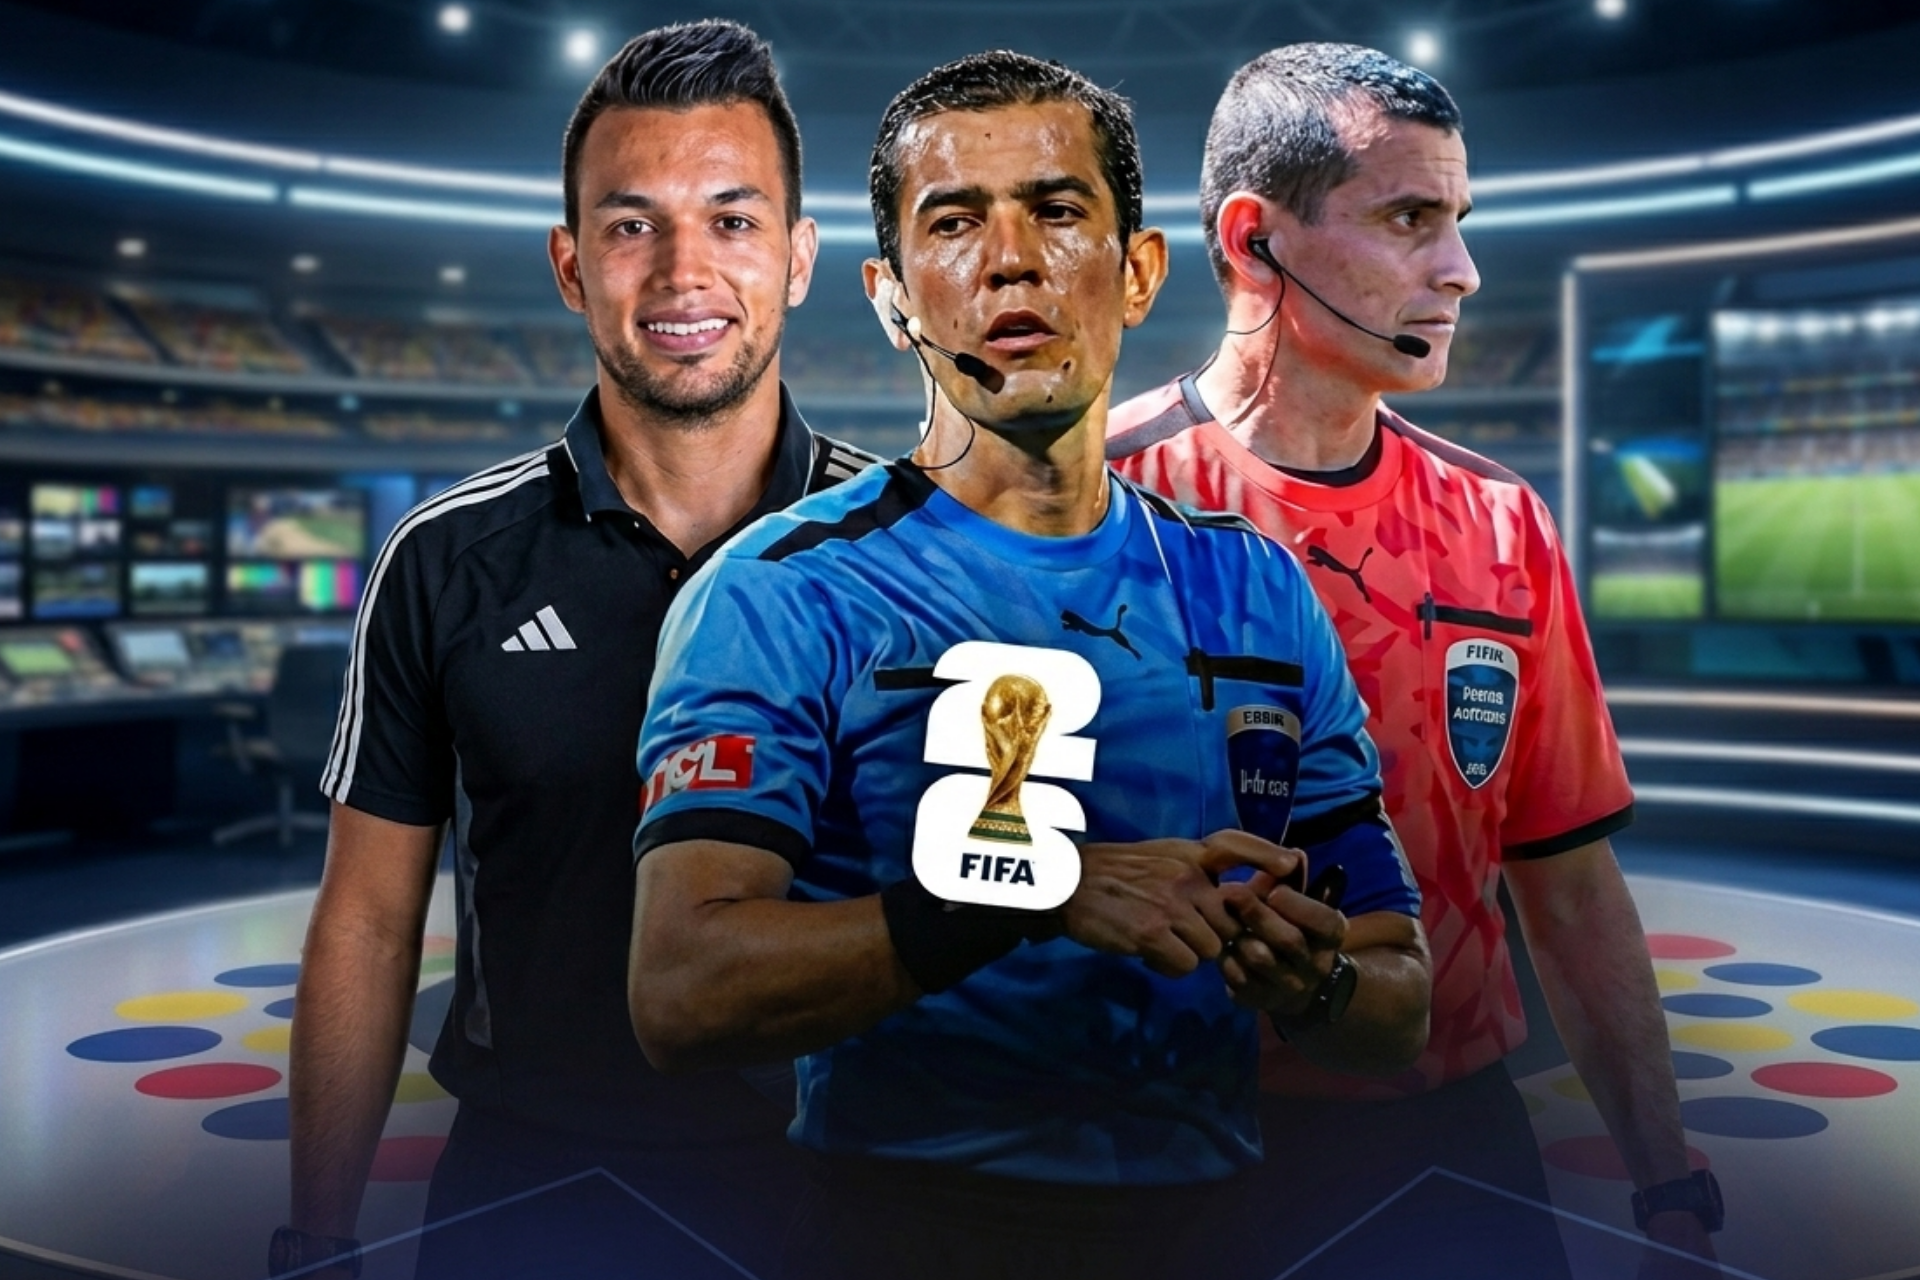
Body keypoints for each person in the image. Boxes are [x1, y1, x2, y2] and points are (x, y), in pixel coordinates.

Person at [628, 50, 1431, 1280]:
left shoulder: (1259, 588)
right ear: (892, 297)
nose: (1011, 260)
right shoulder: (779, 593)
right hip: (899, 1227)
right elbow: (681, 991)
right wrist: (1027, 889)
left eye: (1057, 210)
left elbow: (1398, 993)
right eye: (954, 223)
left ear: (1140, 270)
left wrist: (1310, 978)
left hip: (1218, 1225)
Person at [1107, 42, 1721, 1279]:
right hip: (1156, 1149)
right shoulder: (1090, 502)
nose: (1461, 269)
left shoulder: (1502, 522)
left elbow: (1569, 884)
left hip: (1454, 1136)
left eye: (1459, 220)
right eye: (1408, 219)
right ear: (1254, 240)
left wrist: (1670, 1183)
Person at [277, 21, 875, 1280]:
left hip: (845, 1174)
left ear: (798, 258)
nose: (682, 273)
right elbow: (370, 922)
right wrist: (315, 1237)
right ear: (569, 264)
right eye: (630, 224)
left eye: (732, 219)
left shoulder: (915, 547)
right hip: (526, 1180)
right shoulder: (445, 559)